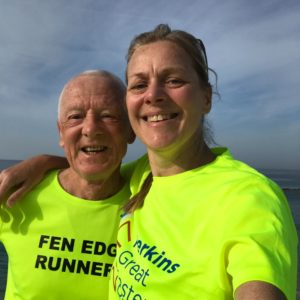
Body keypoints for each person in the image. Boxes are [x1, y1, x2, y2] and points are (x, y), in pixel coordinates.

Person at [0, 24, 297, 299]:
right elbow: (94, 165)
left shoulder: (246, 197)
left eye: (174, 80)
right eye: (139, 84)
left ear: (206, 98)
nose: (153, 95)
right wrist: (42, 162)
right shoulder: (141, 177)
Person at [0, 70, 135, 299]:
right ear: (60, 132)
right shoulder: (15, 195)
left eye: (108, 115)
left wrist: (46, 161)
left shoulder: (150, 198)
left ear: (131, 130)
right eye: (75, 116)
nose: (90, 129)